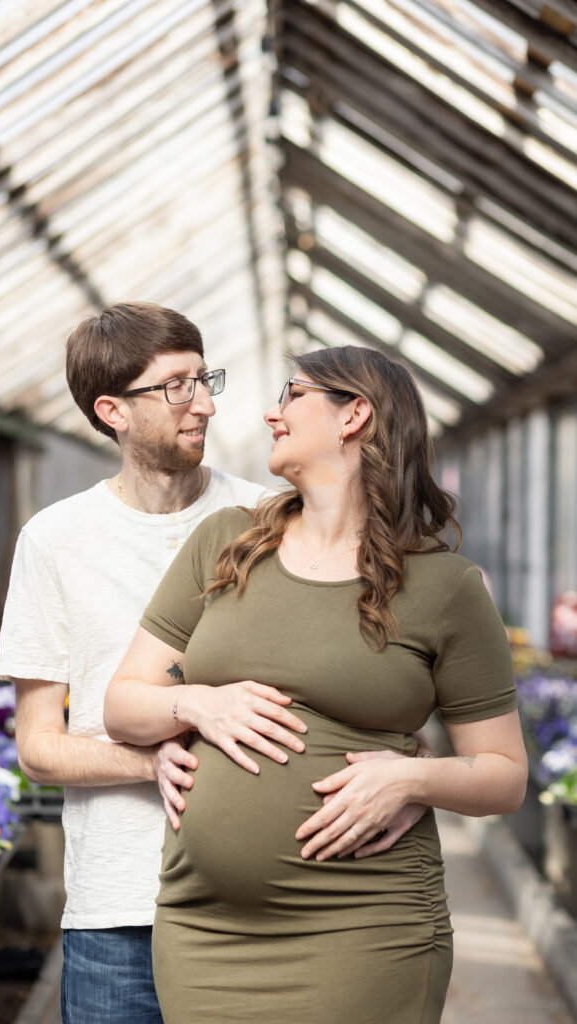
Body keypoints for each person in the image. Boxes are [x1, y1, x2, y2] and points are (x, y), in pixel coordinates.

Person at [0, 307, 421, 1024]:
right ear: (111, 411)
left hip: (270, 903)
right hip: (119, 906)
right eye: (175, 387)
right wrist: (155, 757)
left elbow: (375, 681)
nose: (206, 403)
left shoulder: (267, 517)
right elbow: (38, 747)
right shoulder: (55, 541)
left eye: (203, 378)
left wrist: (408, 776)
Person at [104, 344, 528, 1024]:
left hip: (364, 930)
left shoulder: (444, 587)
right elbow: (123, 704)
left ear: (353, 413)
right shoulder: (226, 542)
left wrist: (411, 779)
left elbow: (505, 775)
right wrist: (193, 703)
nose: (271, 415)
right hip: (203, 931)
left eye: (291, 395)